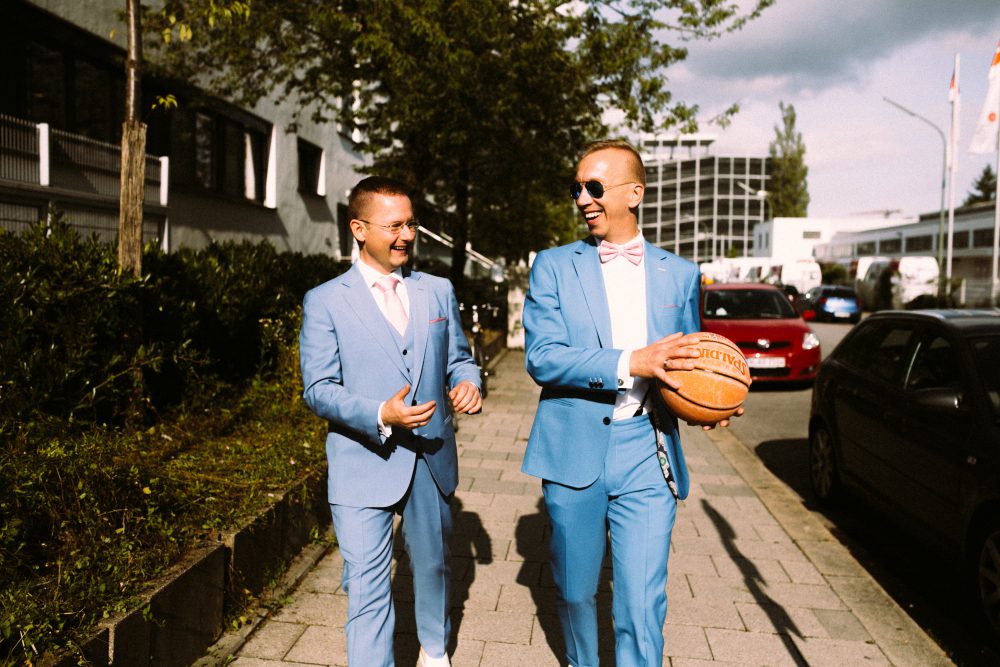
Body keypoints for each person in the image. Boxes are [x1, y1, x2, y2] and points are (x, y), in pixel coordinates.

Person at [522, 139, 738, 667]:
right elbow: (542, 358)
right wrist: (630, 362)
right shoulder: (553, 266)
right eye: (576, 188)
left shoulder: (680, 274)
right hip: (574, 448)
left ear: (634, 193)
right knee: (574, 594)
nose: (582, 199)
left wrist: (710, 402)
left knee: (642, 603)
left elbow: (690, 361)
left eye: (593, 187)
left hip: (649, 449)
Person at [299, 176, 482, 667]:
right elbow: (317, 389)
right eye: (394, 225)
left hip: (430, 458)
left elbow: (460, 359)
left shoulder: (437, 291)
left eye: (411, 224)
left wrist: (469, 382)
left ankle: (435, 651)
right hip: (361, 462)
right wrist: (381, 413)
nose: (407, 235)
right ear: (358, 228)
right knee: (366, 587)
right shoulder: (325, 300)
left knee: (433, 567)